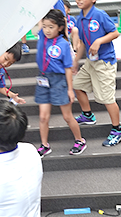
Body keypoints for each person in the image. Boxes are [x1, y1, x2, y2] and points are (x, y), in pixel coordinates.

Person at [72, 0, 121, 147]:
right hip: (90, 62)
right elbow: (81, 43)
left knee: (107, 98)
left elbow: (115, 33)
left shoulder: (100, 15)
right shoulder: (79, 19)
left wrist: (99, 41)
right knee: (77, 84)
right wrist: (75, 62)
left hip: (105, 63)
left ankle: (117, 129)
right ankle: (88, 115)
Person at [35, 9, 86, 157]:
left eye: (51, 27)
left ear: (60, 27)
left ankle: (79, 140)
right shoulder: (41, 36)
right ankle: (44, 145)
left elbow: (68, 68)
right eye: (44, 26)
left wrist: (70, 89)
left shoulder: (63, 44)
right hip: (43, 78)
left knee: (67, 116)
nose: (47, 30)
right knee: (43, 116)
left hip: (59, 80)